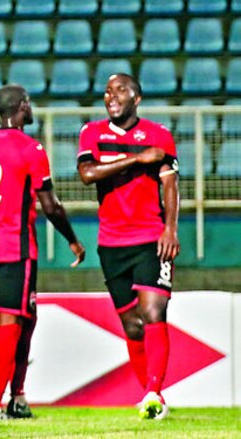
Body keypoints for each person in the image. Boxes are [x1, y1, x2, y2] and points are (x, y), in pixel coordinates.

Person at [0, 84, 86, 420]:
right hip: (16, 247)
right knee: (11, 321)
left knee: (26, 316)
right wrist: (73, 239)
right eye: (28, 103)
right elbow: (50, 205)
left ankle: (17, 397)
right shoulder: (31, 149)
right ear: (22, 107)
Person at [77, 73, 179, 420]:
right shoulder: (92, 133)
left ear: (137, 98)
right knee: (132, 326)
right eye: (108, 91)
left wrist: (170, 229)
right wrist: (137, 159)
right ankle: (150, 394)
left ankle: (152, 394)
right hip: (111, 242)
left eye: (121, 90)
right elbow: (88, 174)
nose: (112, 96)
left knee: (153, 312)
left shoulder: (159, 135)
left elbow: (170, 184)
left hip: (151, 237)